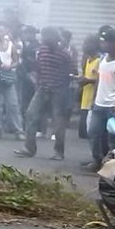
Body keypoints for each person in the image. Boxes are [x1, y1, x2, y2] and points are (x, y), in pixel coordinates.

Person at [16, 26, 72, 160]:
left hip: (58, 90)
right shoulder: (41, 51)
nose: (43, 39)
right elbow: (38, 69)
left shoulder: (64, 54)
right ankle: (29, 148)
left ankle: (59, 152)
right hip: (42, 88)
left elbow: (71, 73)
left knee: (58, 121)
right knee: (30, 114)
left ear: (54, 37)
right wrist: (38, 84)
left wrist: (60, 86)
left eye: (46, 36)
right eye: (43, 36)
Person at [82, 27, 115, 172]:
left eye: (106, 43)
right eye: (102, 43)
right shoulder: (103, 60)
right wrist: (94, 100)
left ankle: (113, 166)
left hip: (113, 105)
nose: (103, 45)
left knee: (113, 138)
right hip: (99, 104)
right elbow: (99, 80)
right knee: (93, 132)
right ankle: (97, 160)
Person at [0, 24, 22, 138]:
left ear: (5, 32)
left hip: (7, 78)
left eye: (1, 31)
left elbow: (17, 61)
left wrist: (10, 66)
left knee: (13, 104)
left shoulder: (12, 45)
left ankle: (18, 130)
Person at [77, 34, 101, 140]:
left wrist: (88, 80)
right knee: (82, 133)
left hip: (94, 99)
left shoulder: (100, 61)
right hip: (85, 98)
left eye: (87, 43)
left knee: (89, 132)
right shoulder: (87, 60)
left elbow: (103, 80)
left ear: (95, 45)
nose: (84, 46)